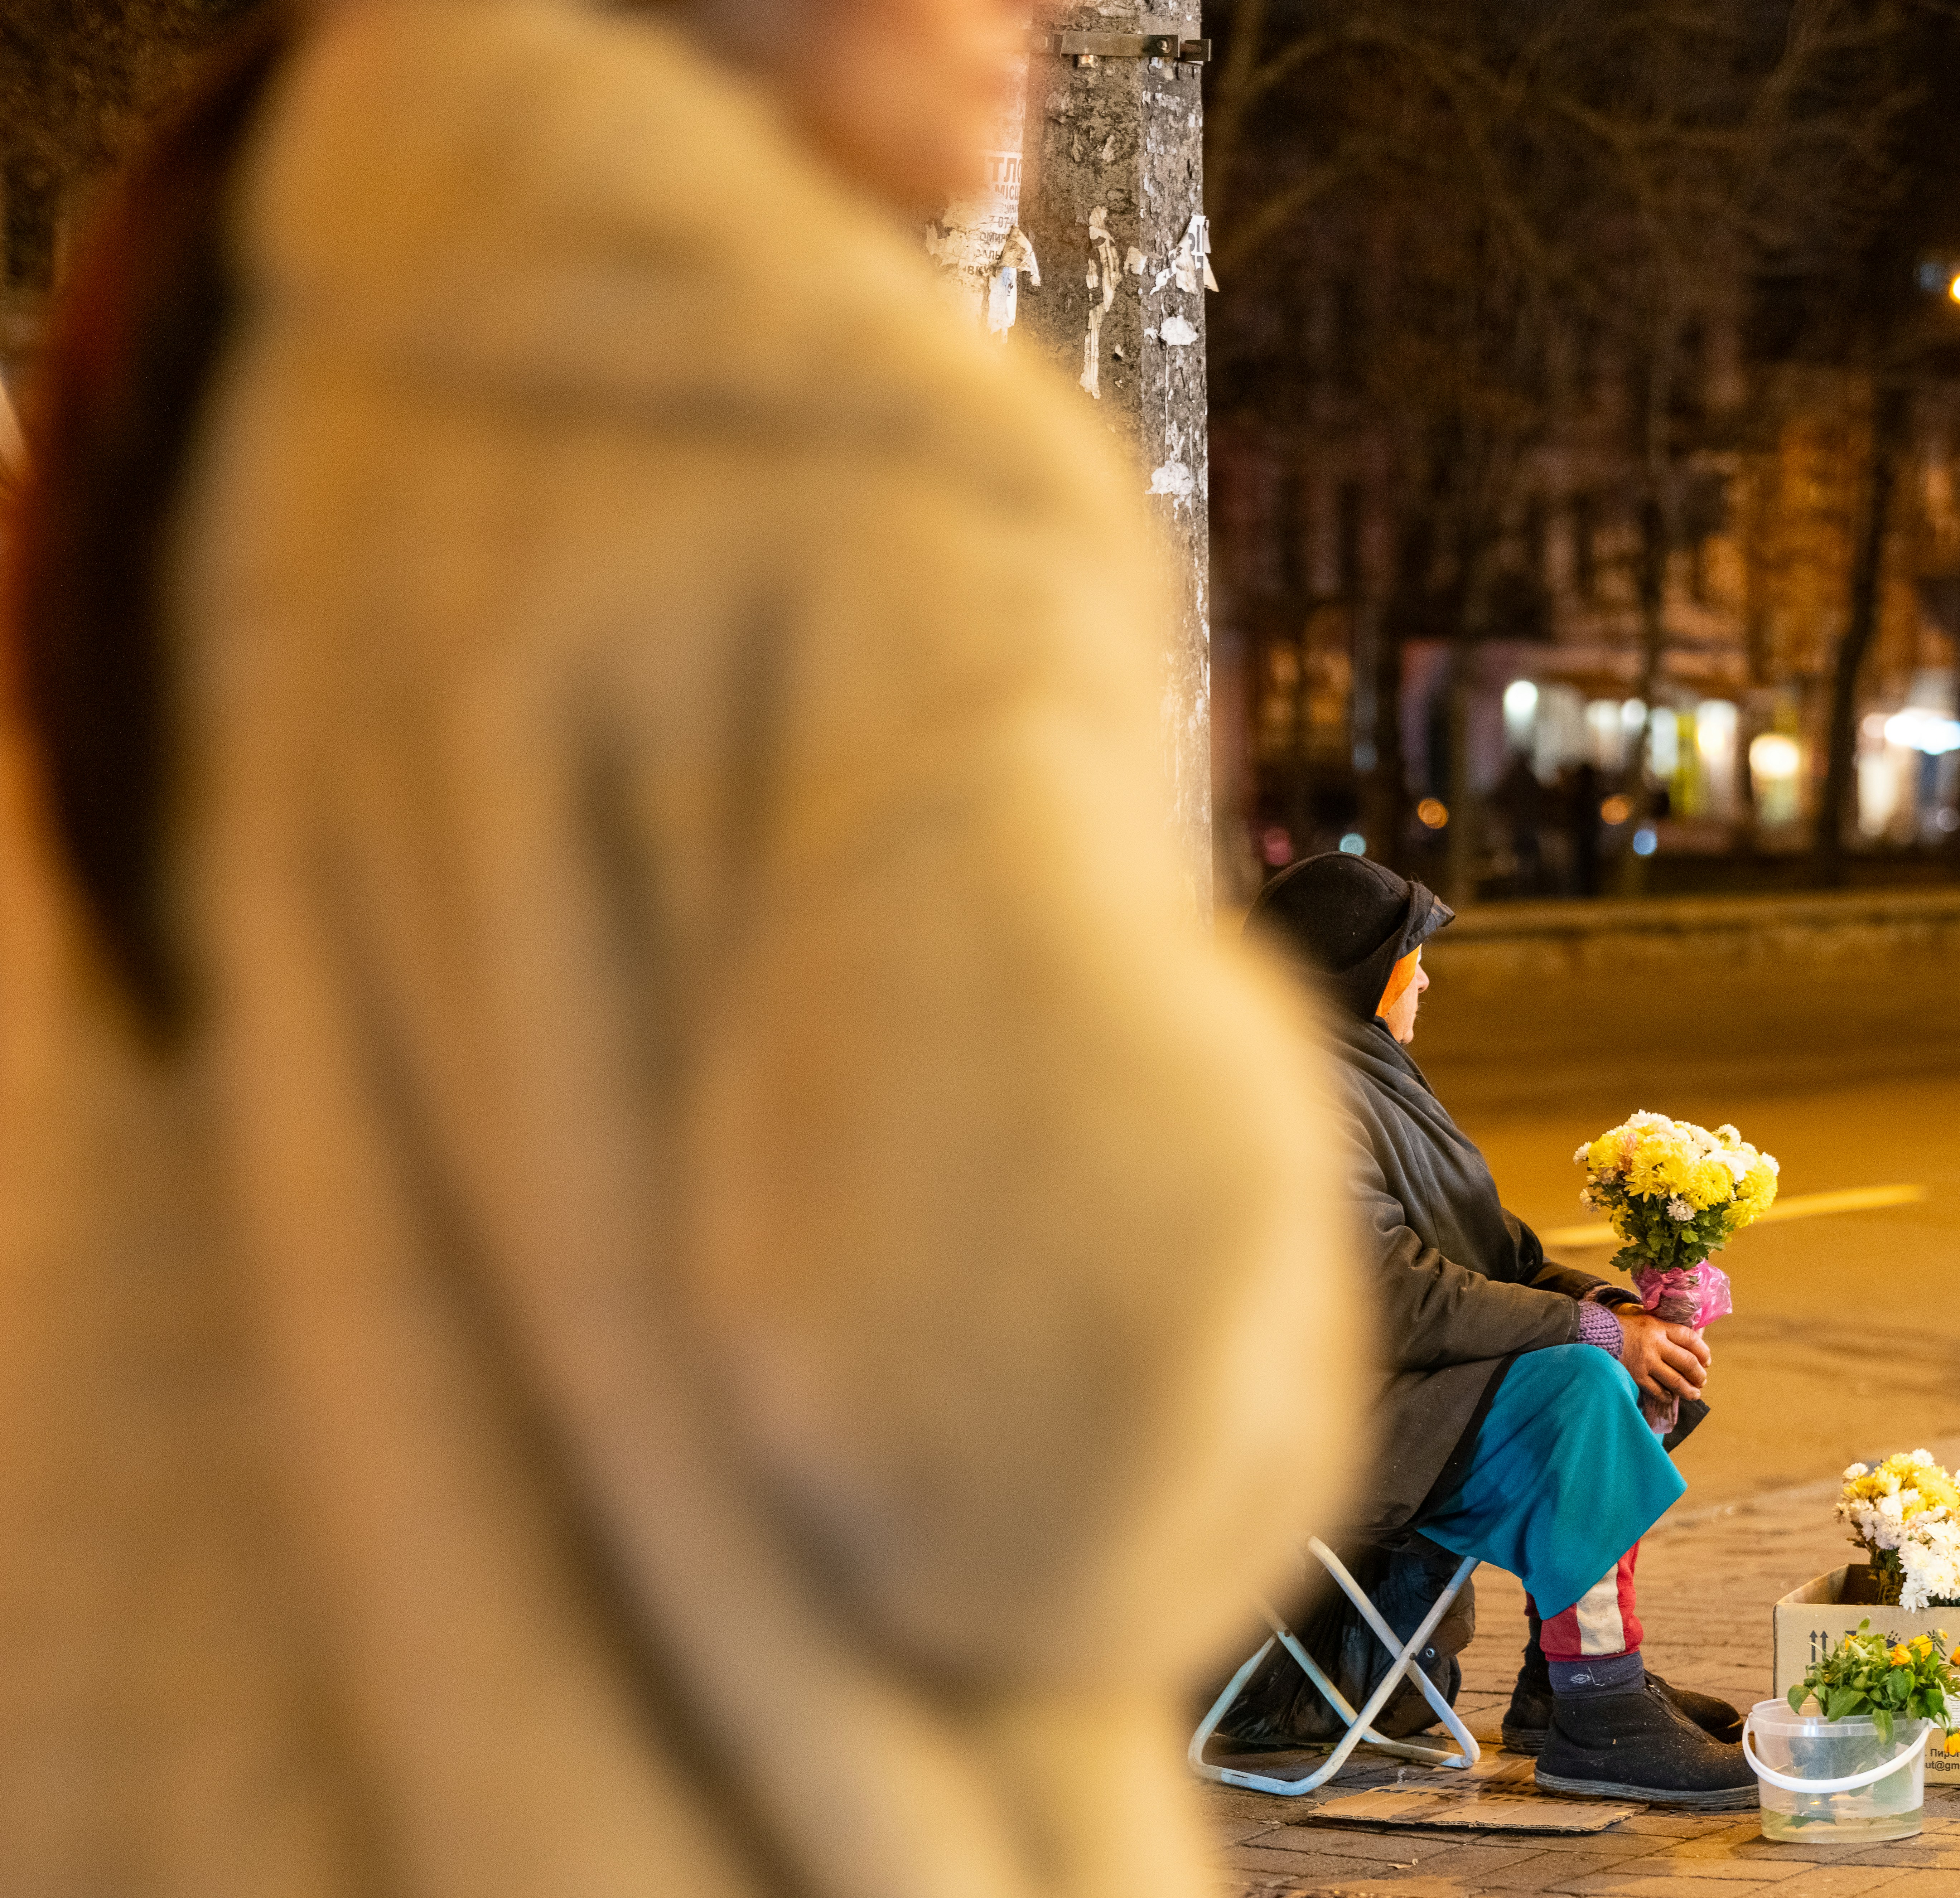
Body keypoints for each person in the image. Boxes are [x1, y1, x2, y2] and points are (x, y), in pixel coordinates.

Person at [0, 0, 1361, 1892]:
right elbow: (1052, 1440)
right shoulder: (851, 483)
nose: (1022, 24)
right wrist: (1175, 1003)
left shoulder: (218, 369)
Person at [1245, 852, 1758, 1808]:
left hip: (1387, 1398)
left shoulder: (1365, 1070)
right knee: (1580, 1388)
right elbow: (1384, 1294)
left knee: (1638, 1373)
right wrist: (1590, 1336)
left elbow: (1495, 1253)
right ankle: (1599, 1715)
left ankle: (1556, 1684)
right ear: (1357, 971)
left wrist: (1621, 1310)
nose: (1425, 976)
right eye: (1410, 956)